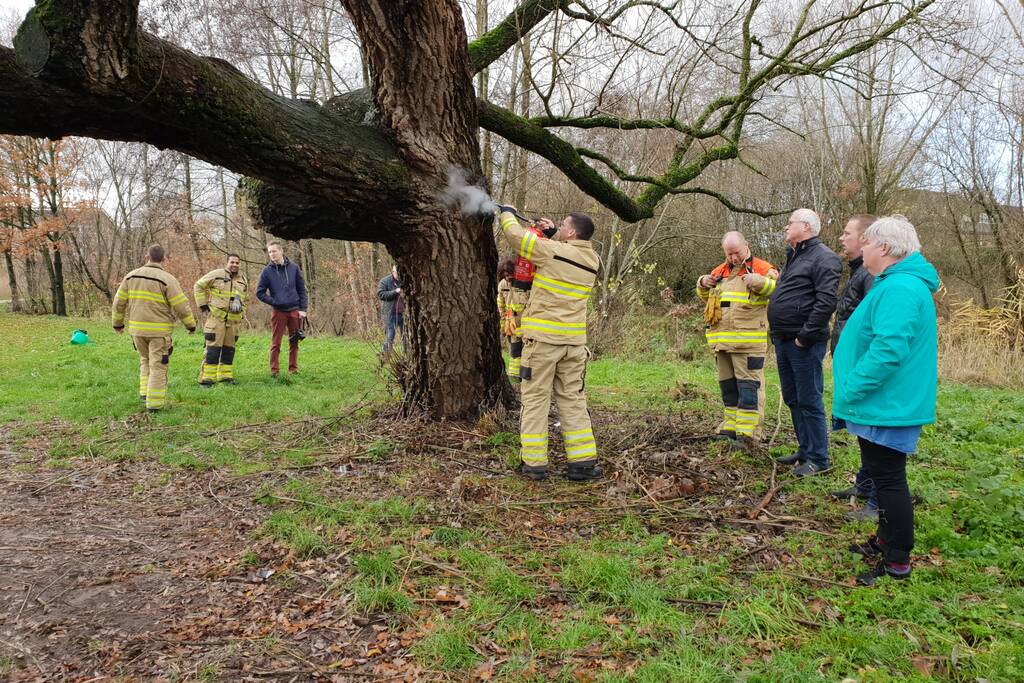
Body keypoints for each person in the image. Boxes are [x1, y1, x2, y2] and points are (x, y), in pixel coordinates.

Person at [832, 215, 938, 586]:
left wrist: (853, 387)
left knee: (890, 481)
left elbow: (889, 349)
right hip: (883, 402)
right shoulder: (895, 283)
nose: (862, 248)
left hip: (887, 403)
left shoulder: (901, 288)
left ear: (886, 249)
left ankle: (897, 560)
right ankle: (884, 540)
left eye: (869, 243)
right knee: (881, 474)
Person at [497, 206, 601, 482]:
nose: (560, 228)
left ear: (572, 232)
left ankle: (534, 464)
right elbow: (563, 255)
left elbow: (517, 238)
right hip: (574, 345)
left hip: (543, 343)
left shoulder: (553, 251)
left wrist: (507, 213)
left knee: (535, 401)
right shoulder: (592, 260)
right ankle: (583, 463)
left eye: (564, 226)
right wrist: (554, 233)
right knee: (573, 401)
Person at [767, 208, 842, 476]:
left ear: (807, 227)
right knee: (793, 397)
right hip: (784, 340)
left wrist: (804, 336)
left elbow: (826, 302)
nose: (786, 227)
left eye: (791, 223)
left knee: (809, 399)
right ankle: (805, 449)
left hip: (803, 343)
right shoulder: (795, 256)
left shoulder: (824, 258)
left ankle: (819, 459)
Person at [696, 232, 778, 452]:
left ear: (747, 246)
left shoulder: (762, 268)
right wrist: (702, 283)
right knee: (729, 389)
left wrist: (760, 282)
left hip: (748, 344)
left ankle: (748, 436)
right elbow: (708, 299)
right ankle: (730, 429)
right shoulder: (719, 272)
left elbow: (779, 291)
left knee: (749, 390)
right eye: (729, 253)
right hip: (722, 344)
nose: (733, 257)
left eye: (737, 252)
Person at [829, 215, 878, 521]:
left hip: (862, 365)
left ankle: (876, 500)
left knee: (872, 432)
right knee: (861, 429)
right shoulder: (858, 271)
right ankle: (865, 483)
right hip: (850, 361)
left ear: (864, 239)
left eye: (847, 234)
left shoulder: (871, 276)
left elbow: (872, 326)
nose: (842, 239)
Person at [111, 244, 196, 412]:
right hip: (159, 333)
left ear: (146, 257)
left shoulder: (130, 277)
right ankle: (155, 404)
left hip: (137, 331)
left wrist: (118, 324)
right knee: (158, 365)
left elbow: (118, 303)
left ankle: (144, 394)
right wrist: (191, 325)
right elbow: (181, 306)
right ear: (163, 259)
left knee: (145, 360)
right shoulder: (168, 279)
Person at [194, 254, 249, 386]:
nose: (234, 265)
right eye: (232, 262)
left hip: (233, 322)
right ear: (227, 263)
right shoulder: (217, 274)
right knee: (213, 350)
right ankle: (206, 379)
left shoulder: (242, 279)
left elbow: (246, 298)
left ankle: (225, 377)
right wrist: (203, 306)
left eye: (237, 262)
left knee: (229, 350)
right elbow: (198, 286)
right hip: (216, 319)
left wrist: (242, 312)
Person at [256, 241, 308, 377]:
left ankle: (293, 369)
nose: (272, 254)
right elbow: (260, 292)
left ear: (281, 251)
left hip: (295, 310)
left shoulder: (294, 268)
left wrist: (303, 309)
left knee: (294, 341)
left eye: (274, 251)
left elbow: (302, 290)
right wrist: (275, 302)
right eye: (270, 252)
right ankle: (274, 371)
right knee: (276, 343)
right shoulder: (267, 271)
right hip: (278, 312)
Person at [496, 259, 522, 380]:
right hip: (510, 323)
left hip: (524, 322)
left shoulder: (523, 283)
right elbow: (500, 305)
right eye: (505, 275)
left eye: (510, 274)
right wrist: (503, 325)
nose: (508, 277)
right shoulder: (502, 285)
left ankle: (525, 376)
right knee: (515, 351)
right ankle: (516, 377)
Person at [377, 265, 404, 355]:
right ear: (393, 271)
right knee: (389, 335)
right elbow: (381, 294)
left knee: (407, 336)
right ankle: (386, 355)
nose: (398, 274)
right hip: (390, 314)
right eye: (396, 272)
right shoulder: (385, 281)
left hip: (404, 314)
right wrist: (395, 291)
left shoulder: (405, 280)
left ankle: (408, 355)